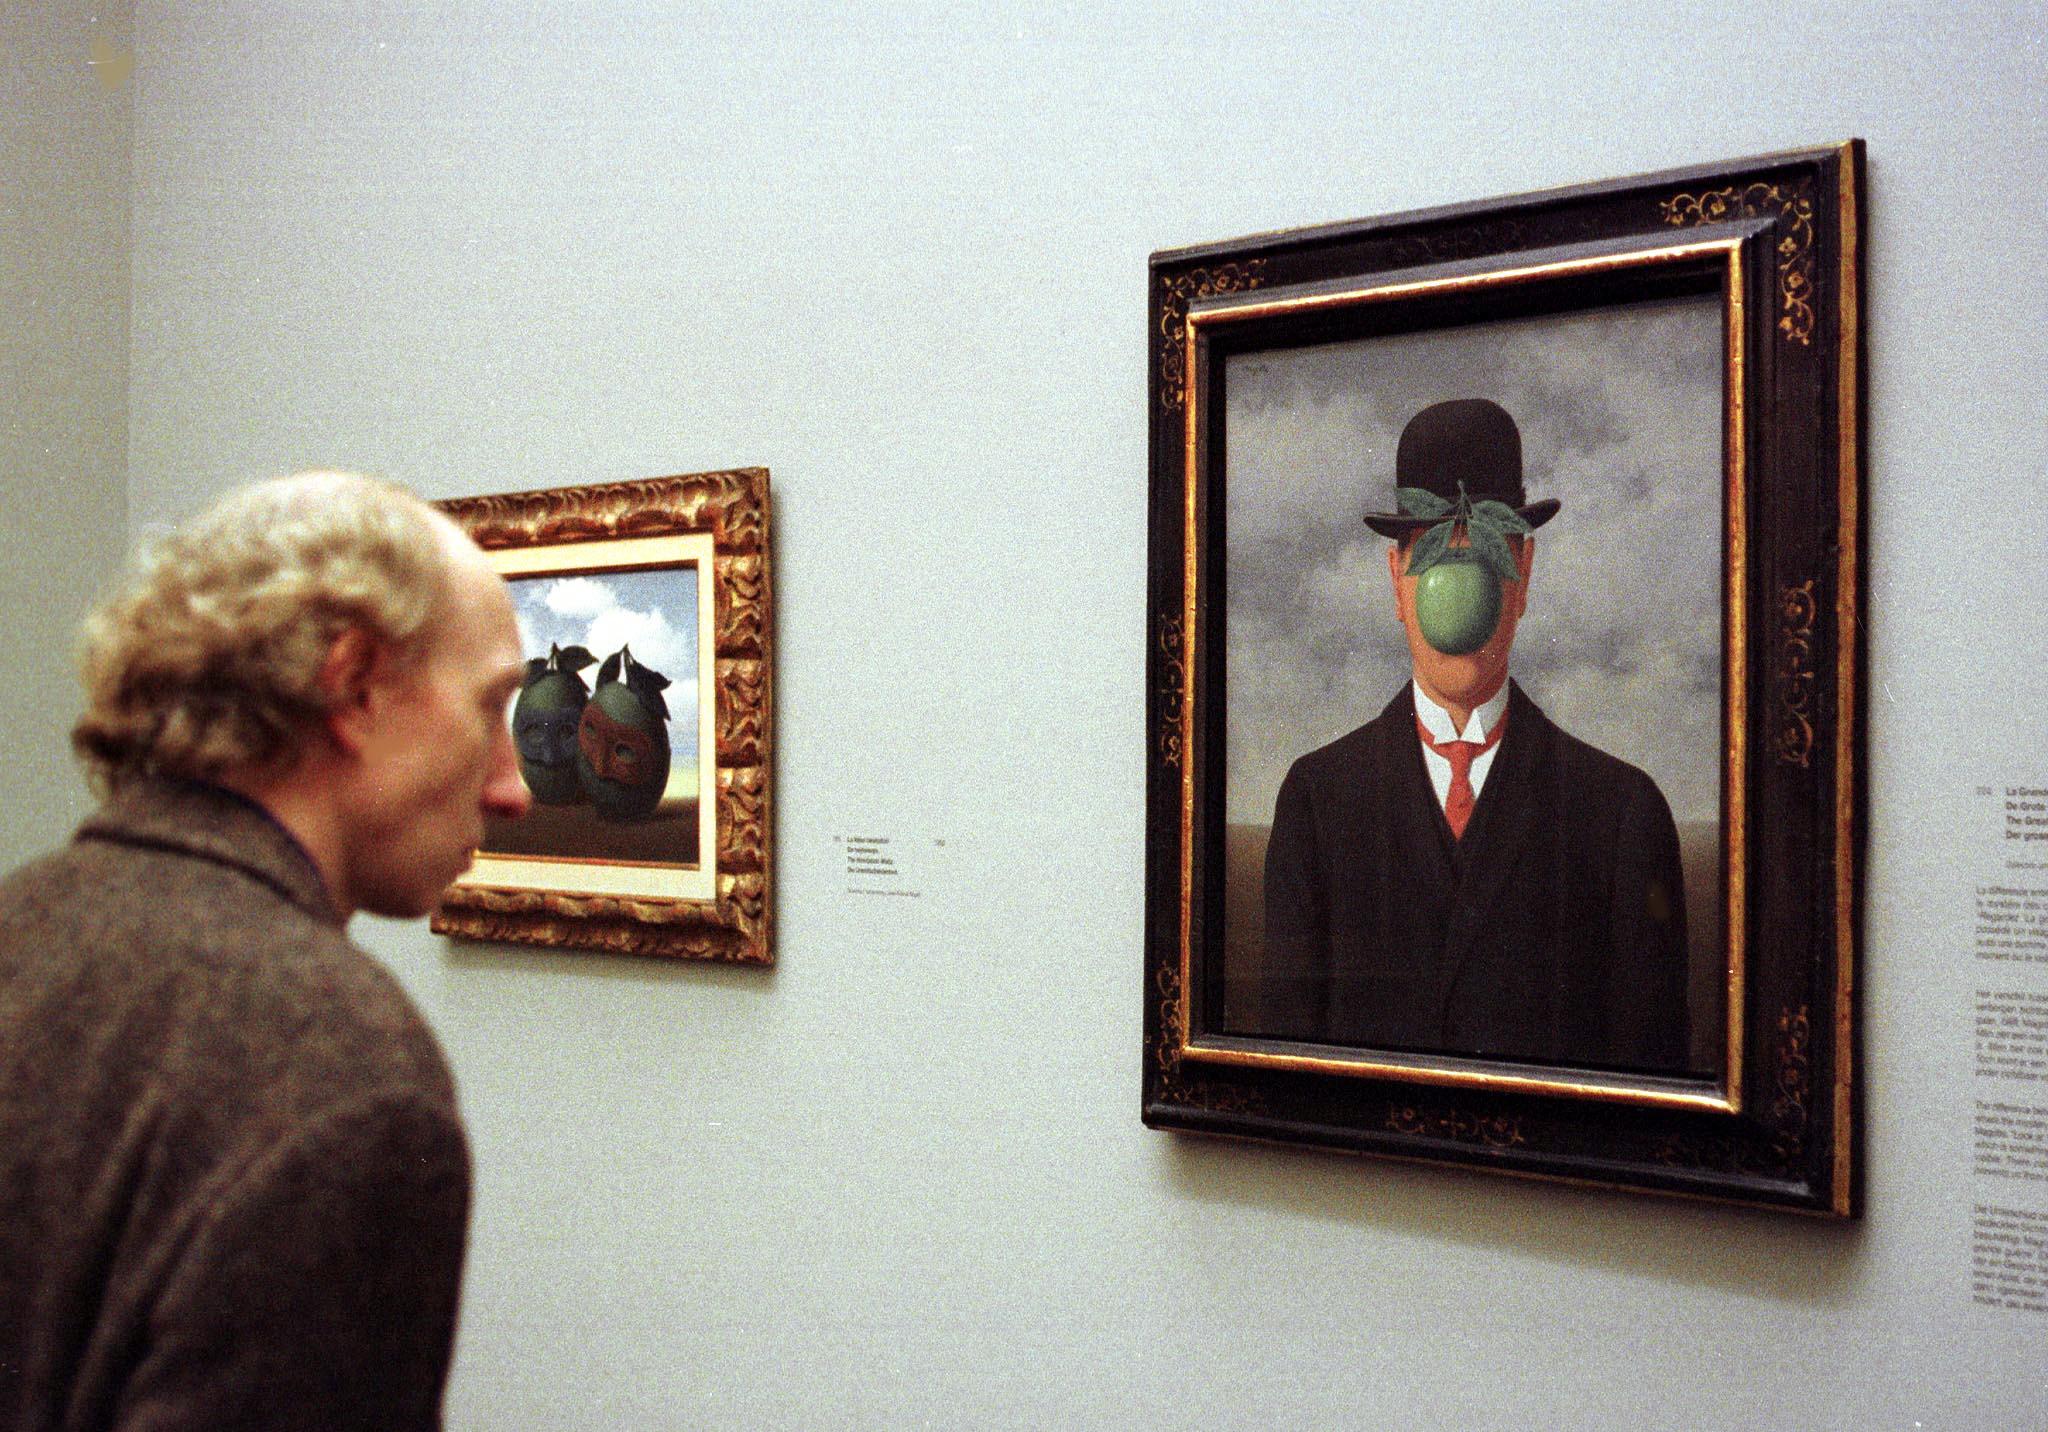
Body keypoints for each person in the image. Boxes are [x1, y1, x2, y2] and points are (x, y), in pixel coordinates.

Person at [0, 472, 531, 1430]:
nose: (512, 787)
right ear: (353, 683)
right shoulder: (344, 1071)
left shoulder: (20, 926)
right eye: (493, 707)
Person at [1260, 399, 1691, 1073]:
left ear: (1523, 577)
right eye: (1431, 555)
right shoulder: (1317, 803)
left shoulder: (1620, 816)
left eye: (1485, 555)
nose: (1458, 590)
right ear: (1396, 584)